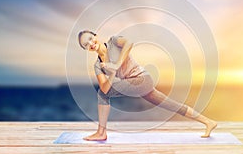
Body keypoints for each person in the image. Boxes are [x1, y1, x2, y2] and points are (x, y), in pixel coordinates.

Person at [78, 30, 217, 141]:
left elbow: (130, 42)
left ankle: (101, 132)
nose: (90, 43)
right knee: (171, 104)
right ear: (86, 49)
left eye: (90, 38)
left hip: (142, 80)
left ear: (96, 35)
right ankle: (208, 122)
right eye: (86, 44)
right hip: (135, 85)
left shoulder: (114, 41)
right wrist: (112, 72)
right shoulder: (98, 66)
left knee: (102, 95)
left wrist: (116, 65)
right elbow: (105, 88)